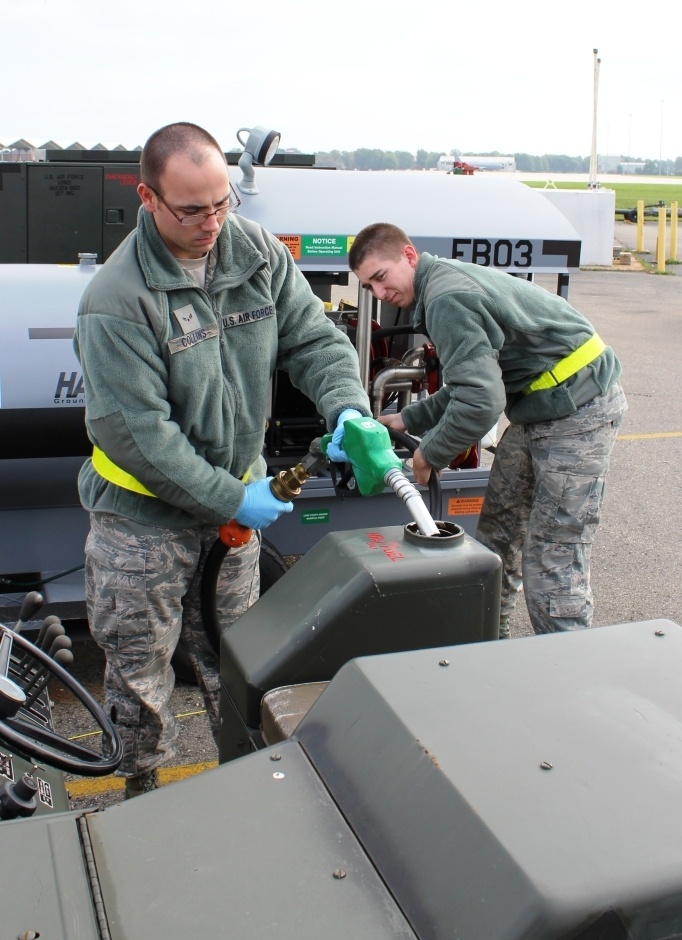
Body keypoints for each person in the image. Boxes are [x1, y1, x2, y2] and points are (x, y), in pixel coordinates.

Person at [73, 122, 370, 797]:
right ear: (148, 198)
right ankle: (137, 806)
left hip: (231, 519)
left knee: (236, 666)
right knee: (141, 684)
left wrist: (347, 402)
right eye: (191, 210)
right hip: (141, 528)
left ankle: (246, 793)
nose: (211, 222)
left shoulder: (254, 252)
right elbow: (140, 437)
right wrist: (234, 499)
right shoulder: (117, 301)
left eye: (221, 203)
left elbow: (314, 340)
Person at [349, 222, 627, 639]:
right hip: (539, 406)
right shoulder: (438, 287)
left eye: (381, 277)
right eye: (369, 286)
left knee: (553, 552)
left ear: (409, 255)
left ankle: (571, 664)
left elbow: (481, 402)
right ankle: (486, 646)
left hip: (579, 407)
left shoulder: (447, 297)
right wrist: (407, 419)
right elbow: (473, 386)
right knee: (498, 535)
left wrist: (430, 454)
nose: (379, 293)